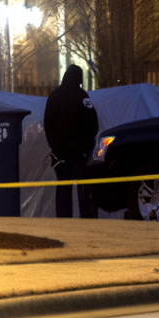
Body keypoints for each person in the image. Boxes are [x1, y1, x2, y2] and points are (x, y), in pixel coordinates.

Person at [43, 64, 99, 219]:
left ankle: (63, 219)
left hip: (60, 151)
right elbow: (92, 122)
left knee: (63, 186)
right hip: (80, 151)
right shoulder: (82, 96)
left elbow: (47, 124)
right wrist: (87, 146)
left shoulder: (54, 96)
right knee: (83, 186)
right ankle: (86, 218)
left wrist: (54, 147)